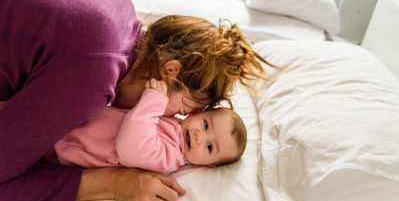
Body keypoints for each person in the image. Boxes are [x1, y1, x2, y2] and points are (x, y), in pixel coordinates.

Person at [0, 0, 271, 201]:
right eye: (182, 108)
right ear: (171, 71)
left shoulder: (120, 6)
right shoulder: (94, 73)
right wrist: (112, 182)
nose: (170, 119)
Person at [43, 78, 247, 175]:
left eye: (210, 147)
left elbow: (131, 147)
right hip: (73, 117)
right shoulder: (176, 122)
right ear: (195, 113)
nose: (200, 137)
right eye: (205, 125)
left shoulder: (169, 159)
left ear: (208, 164)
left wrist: (152, 102)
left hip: (63, 146)